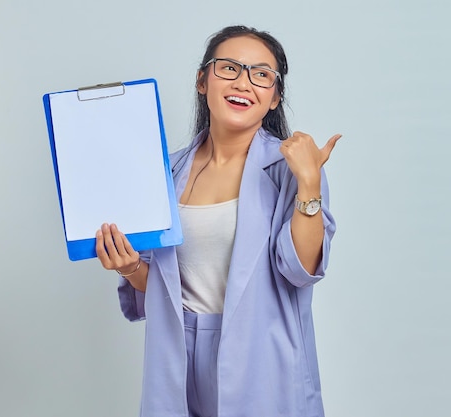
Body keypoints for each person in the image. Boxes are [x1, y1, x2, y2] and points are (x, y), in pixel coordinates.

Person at [95, 25, 341, 417]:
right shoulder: (167, 171)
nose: (244, 82)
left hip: (261, 357)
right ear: (202, 80)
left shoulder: (290, 168)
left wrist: (309, 184)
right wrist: (130, 267)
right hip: (177, 355)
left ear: (275, 97)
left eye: (261, 74)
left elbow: (301, 269)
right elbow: (168, 287)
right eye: (229, 68)